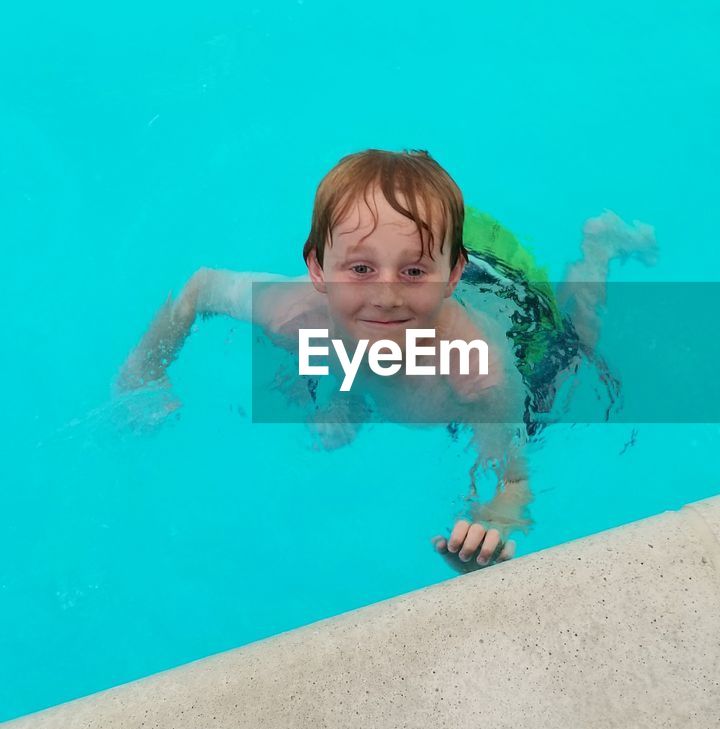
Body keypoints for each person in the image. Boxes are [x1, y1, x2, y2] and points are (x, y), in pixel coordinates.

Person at [116, 149, 657, 572]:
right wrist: (145, 367)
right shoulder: (293, 314)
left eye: (413, 273)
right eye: (359, 269)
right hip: (435, 290)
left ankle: (600, 249)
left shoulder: (478, 375)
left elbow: (513, 480)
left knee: (577, 343)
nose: (386, 295)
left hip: (513, 312)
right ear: (318, 270)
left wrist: (490, 528)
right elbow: (201, 287)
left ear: (448, 275)